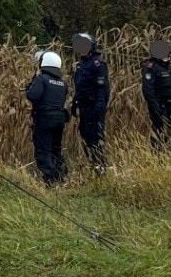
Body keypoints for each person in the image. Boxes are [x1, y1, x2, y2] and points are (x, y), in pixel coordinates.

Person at [26, 51, 70, 185]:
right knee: (55, 149)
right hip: (60, 119)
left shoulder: (42, 79)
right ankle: (61, 176)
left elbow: (32, 96)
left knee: (43, 151)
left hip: (44, 119)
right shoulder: (62, 82)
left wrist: (30, 86)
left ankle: (51, 179)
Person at [71, 33, 111, 168]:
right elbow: (80, 87)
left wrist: (99, 108)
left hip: (94, 106)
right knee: (86, 138)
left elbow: (102, 89)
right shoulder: (81, 64)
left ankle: (101, 168)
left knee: (95, 139)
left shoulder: (98, 64)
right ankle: (94, 166)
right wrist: (74, 102)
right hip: (84, 108)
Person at [141, 40, 171, 150]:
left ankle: (169, 155)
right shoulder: (151, 68)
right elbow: (148, 90)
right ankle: (158, 155)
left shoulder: (169, 69)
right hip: (159, 106)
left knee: (170, 131)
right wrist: (155, 107)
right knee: (159, 131)